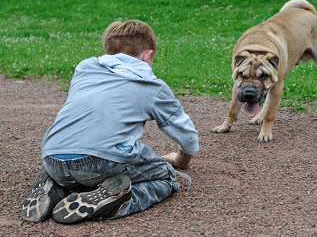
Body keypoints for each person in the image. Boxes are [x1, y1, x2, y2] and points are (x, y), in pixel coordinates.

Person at [20, 20, 199, 224]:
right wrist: (181, 160)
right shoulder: (151, 85)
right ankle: (116, 203)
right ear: (148, 56)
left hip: (52, 159)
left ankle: (58, 190)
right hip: (101, 162)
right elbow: (187, 135)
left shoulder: (84, 68)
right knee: (166, 176)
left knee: (84, 174)